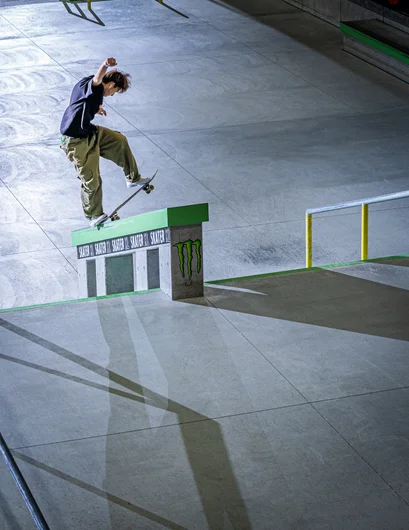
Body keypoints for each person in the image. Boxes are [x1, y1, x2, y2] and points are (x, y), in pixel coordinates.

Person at [60, 57, 149, 226]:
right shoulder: (95, 85)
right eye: (114, 91)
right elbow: (97, 79)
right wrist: (105, 65)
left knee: (119, 140)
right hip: (76, 142)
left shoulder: (95, 93)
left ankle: (132, 178)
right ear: (111, 85)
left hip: (90, 133)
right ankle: (94, 216)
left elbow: (89, 100)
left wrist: (97, 109)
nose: (112, 94)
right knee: (92, 181)